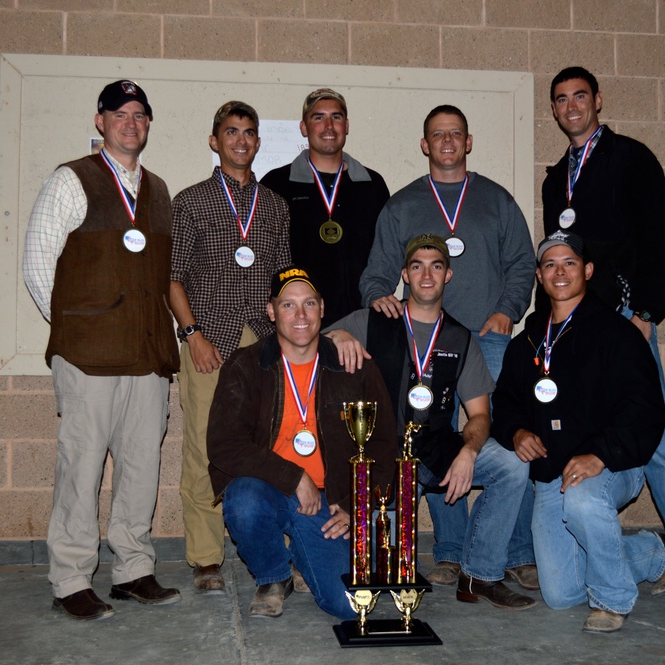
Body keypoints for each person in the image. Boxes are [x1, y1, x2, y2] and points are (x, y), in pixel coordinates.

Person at [540, 66, 665, 611]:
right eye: (561, 100)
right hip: (577, 325)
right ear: (553, 111)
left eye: (580, 96)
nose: (571, 106)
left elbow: (657, 236)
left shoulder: (632, 158)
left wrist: (646, 312)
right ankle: (626, 550)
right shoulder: (557, 177)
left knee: (661, 438)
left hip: (625, 318)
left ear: (597, 100)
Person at [358, 106, 537, 591]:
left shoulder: (496, 200)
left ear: (469, 140)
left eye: (455, 133)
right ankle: (453, 552)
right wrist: (378, 299)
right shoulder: (402, 205)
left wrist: (507, 310)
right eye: (438, 134)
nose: (447, 141)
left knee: (506, 441)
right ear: (425, 144)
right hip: (426, 342)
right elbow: (377, 272)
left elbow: (523, 264)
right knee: (431, 435)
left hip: (487, 338)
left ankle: (516, 552)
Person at [23, 79, 181, 620]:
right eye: (120, 113)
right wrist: (76, 329)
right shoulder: (72, 180)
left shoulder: (158, 190)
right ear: (100, 121)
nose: (130, 123)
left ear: (147, 124)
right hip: (88, 357)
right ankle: (70, 579)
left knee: (140, 465)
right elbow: (38, 262)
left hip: (146, 357)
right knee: (82, 465)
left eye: (139, 114)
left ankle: (133, 570)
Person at [329, 234, 534, 611]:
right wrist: (337, 334)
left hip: (434, 448)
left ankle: (480, 574)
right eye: (417, 266)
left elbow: (480, 415)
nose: (427, 275)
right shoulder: (372, 321)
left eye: (436, 266)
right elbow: (308, 340)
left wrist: (470, 451)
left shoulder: (460, 338)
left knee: (510, 465)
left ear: (448, 275)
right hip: (382, 458)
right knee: (379, 578)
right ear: (405, 275)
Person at [492, 230, 665, 633]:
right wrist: (517, 431)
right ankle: (646, 553)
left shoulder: (616, 332)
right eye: (550, 265)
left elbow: (644, 410)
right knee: (560, 594)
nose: (560, 272)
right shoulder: (526, 340)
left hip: (610, 465)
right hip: (551, 476)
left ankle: (612, 600)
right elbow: (504, 401)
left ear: (587, 270)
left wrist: (601, 454)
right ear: (540, 275)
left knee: (583, 499)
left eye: (569, 263)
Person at [207, 266, 398, 619]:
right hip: (270, 490)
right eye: (288, 305)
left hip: (330, 501)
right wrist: (293, 477)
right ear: (271, 311)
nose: (300, 315)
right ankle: (274, 576)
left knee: (347, 605)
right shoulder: (245, 365)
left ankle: (304, 561)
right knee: (243, 499)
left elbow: (385, 444)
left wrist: (356, 503)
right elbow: (224, 445)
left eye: (309, 304)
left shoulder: (353, 365)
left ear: (323, 308)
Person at [170, 101, 292, 593]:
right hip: (209, 339)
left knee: (271, 444)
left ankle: (281, 549)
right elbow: (173, 279)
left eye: (249, 133)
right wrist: (191, 334)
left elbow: (285, 278)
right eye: (230, 132)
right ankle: (204, 558)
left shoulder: (276, 206)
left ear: (258, 142)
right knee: (203, 445)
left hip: (263, 342)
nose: (240, 140)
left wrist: (289, 338)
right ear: (214, 140)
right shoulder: (190, 201)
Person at [261, 88, 390, 327]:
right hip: (299, 322)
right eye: (318, 117)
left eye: (336, 117)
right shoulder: (275, 184)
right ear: (303, 127)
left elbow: (386, 253)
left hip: (361, 320)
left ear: (347, 126)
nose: (328, 126)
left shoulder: (373, 185)